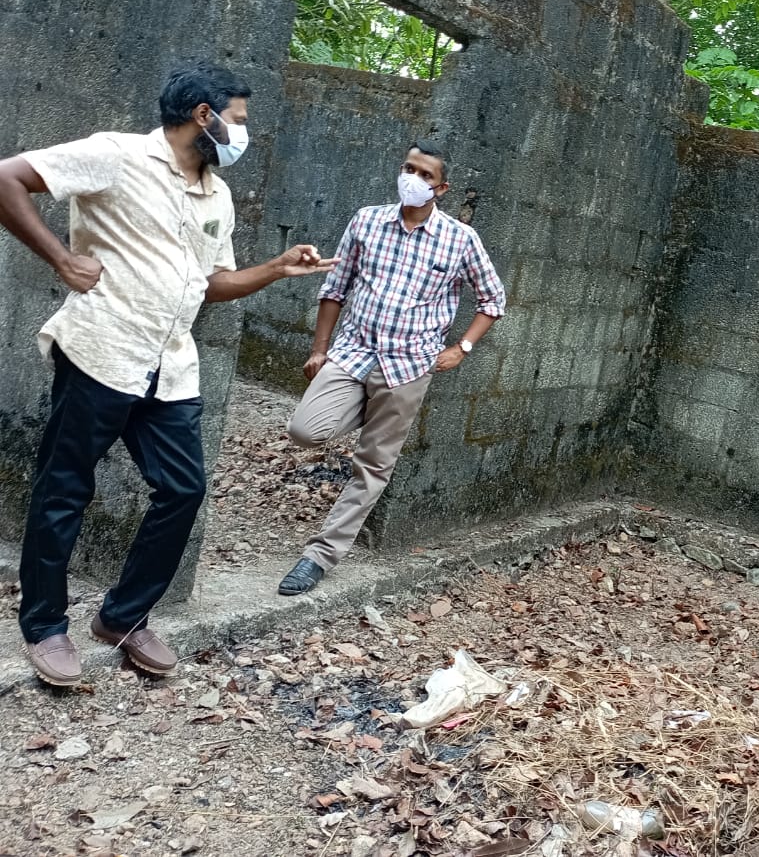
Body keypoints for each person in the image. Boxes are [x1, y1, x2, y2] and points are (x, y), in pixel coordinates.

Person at [0, 60, 336, 688]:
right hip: (102, 349)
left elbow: (213, 284)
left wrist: (275, 268)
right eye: (238, 119)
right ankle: (44, 626)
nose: (243, 133)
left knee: (183, 489)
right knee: (64, 488)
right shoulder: (116, 155)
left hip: (171, 366)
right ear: (204, 116)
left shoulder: (217, 194)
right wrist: (62, 258)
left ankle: (122, 617)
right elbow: (7, 178)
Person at [276, 140, 506, 595]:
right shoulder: (366, 220)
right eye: (408, 168)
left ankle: (319, 556)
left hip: (408, 366)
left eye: (425, 175)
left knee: (373, 463)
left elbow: (493, 300)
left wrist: (461, 347)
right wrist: (320, 349)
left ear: (441, 188)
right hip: (353, 352)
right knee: (304, 430)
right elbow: (335, 288)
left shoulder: (461, 239)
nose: (413, 179)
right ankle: (371, 409)